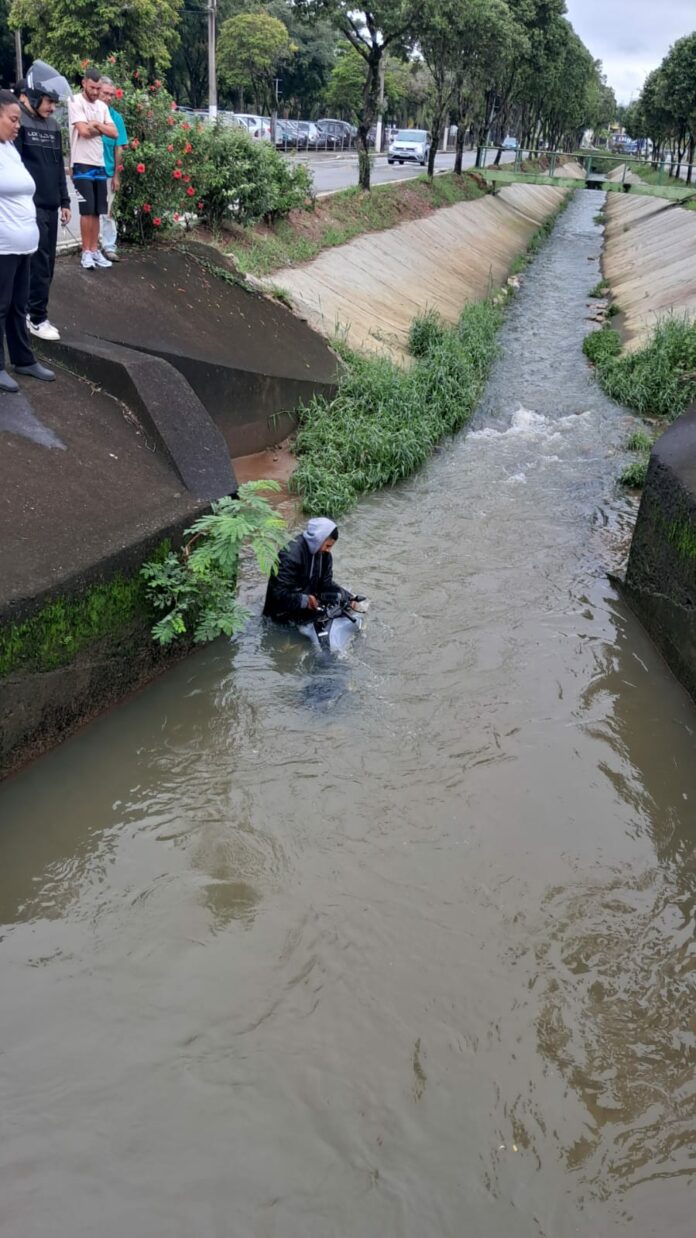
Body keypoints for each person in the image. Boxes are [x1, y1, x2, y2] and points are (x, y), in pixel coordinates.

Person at [0, 89, 55, 393]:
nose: (18, 125)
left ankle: (23, 359)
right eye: (12, 119)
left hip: (23, 246)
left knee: (19, 306)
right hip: (2, 246)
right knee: (1, 306)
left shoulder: (9, 149)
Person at [14, 77, 71, 341]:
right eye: (49, 101)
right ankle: (37, 318)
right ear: (35, 96)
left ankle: (31, 312)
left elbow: (58, 166)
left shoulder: (52, 126)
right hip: (29, 206)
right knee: (38, 264)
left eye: (54, 103)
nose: (52, 107)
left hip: (50, 205)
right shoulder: (20, 125)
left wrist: (65, 201)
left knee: (48, 263)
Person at [263, 517, 358, 624]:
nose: (328, 550)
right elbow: (278, 595)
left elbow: (325, 584)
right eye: (327, 546)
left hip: (305, 607)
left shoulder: (324, 555)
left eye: (331, 547)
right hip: (280, 615)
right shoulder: (289, 556)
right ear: (318, 539)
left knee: (343, 610)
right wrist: (305, 600)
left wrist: (347, 597)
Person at [67, 68, 117, 270]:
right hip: (81, 163)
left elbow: (113, 133)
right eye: (93, 87)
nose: (96, 92)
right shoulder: (75, 102)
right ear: (84, 83)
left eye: (98, 88)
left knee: (98, 211)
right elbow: (83, 132)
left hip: (99, 164)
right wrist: (100, 128)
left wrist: (96, 124)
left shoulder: (102, 108)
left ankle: (95, 250)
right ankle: (86, 251)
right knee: (86, 211)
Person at [98, 76, 128, 261]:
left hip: (108, 172)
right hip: (90, 172)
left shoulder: (116, 118)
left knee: (107, 213)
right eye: (104, 93)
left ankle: (109, 247)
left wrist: (117, 176)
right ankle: (90, 247)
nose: (108, 97)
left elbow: (120, 148)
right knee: (90, 212)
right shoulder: (89, 114)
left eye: (111, 94)